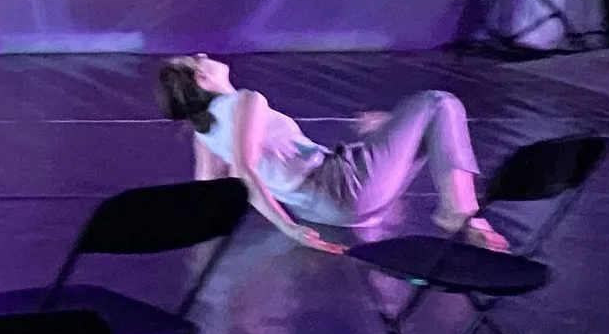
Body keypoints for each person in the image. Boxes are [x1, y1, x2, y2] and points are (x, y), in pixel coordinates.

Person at [154, 53, 507, 253]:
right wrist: (289, 228)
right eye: (198, 59)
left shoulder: (205, 133)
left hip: (323, 210)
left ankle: (393, 129)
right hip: (343, 187)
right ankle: (459, 212)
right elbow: (245, 171)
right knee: (440, 102)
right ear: (202, 78)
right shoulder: (245, 100)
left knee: (423, 126)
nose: (205, 55)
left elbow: (210, 190)